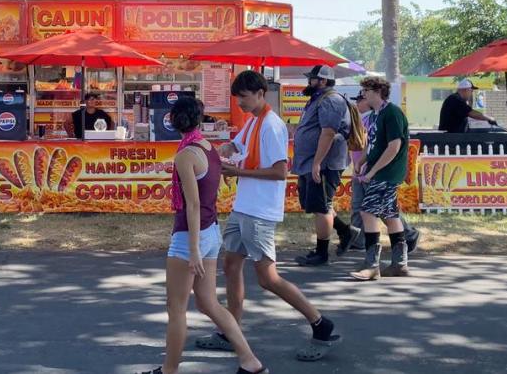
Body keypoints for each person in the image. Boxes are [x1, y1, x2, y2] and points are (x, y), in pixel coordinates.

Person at [196, 70, 341, 362]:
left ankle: (320, 323)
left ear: (261, 94)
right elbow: (237, 146)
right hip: (243, 207)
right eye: (237, 98)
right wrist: (224, 150)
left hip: (260, 212)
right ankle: (231, 331)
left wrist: (237, 171)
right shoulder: (253, 123)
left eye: (244, 97)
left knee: (267, 278)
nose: (240, 103)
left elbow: (279, 172)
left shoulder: (271, 126)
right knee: (231, 265)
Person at [138, 96, 267, 374]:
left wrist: (193, 248)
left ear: (173, 121)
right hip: (211, 230)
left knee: (176, 309)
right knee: (208, 302)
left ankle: (169, 370)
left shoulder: (186, 154)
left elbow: (192, 204)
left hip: (191, 236)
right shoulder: (207, 147)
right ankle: (250, 360)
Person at [292, 65, 356, 266]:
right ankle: (346, 232)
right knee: (317, 204)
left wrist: (317, 163)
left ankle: (322, 253)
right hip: (311, 161)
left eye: (312, 79)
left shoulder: (331, 100)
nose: (309, 82)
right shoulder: (317, 99)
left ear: (323, 81)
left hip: (323, 163)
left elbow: (328, 133)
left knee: (322, 207)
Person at [351, 77, 411, 280]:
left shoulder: (392, 113)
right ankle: (399, 264)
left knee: (367, 212)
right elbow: (375, 144)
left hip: (387, 173)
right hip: (381, 171)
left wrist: (371, 172)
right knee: (390, 216)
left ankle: (372, 265)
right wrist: (362, 161)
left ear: (377, 91)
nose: (363, 94)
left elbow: (393, 147)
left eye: (365, 90)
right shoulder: (376, 114)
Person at [348, 93, 421, 257]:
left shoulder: (381, 117)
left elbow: (389, 146)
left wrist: (370, 169)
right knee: (360, 206)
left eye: (360, 100)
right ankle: (360, 241)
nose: (357, 104)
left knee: (382, 210)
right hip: (363, 169)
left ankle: (405, 238)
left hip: (375, 171)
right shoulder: (367, 118)